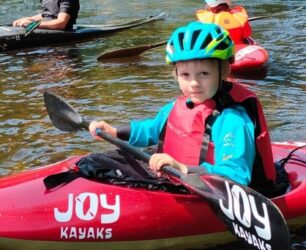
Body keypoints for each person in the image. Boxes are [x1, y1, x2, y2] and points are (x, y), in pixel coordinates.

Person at [88, 21, 279, 195]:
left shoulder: (233, 119)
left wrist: (183, 168)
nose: (194, 83)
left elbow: (236, 174)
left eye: (204, 73)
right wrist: (114, 131)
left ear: (224, 72)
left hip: (209, 189)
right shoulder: (177, 106)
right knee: (94, 163)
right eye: (185, 75)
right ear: (176, 74)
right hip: (175, 177)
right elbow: (152, 129)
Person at [13, 0, 80, 31]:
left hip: (63, 35)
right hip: (45, 28)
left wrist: (34, 25)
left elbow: (61, 23)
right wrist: (29, 19)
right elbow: (45, 14)